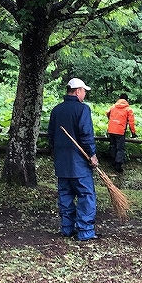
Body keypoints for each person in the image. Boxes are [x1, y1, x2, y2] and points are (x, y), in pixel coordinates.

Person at [47, 78, 100, 241]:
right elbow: (86, 135)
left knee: (65, 195)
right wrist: (92, 154)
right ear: (77, 91)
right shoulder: (82, 109)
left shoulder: (56, 110)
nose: (84, 94)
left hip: (62, 163)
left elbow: (51, 136)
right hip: (79, 163)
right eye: (84, 91)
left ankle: (67, 228)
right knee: (86, 195)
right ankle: (85, 231)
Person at [106, 93, 137, 173]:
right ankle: (118, 165)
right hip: (120, 131)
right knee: (120, 148)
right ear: (127, 100)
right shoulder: (128, 109)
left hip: (111, 129)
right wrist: (133, 132)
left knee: (113, 146)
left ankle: (112, 161)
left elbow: (107, 112)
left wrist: (112, 119)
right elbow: (131, 122)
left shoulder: (113, 106)